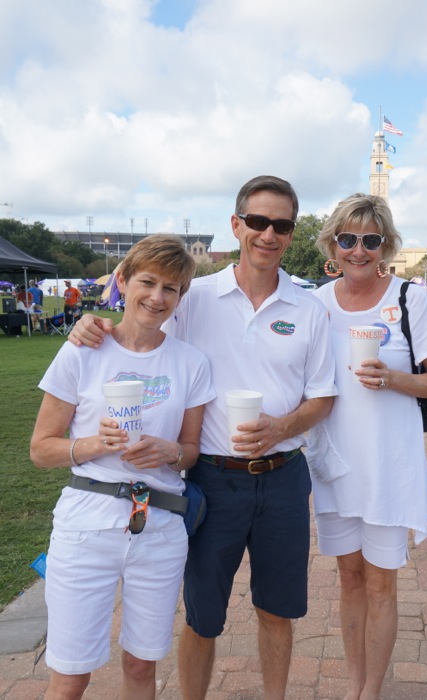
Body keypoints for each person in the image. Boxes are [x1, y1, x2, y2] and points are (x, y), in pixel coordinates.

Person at [68, 175, 337, 700]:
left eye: (281, 225)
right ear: (236, 225)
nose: (268, 234)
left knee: (277, 610)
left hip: (283, 478)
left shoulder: (310, 307)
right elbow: (140, 330)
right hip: (211, 478)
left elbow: (323, 397)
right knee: (203, 615)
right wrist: (90, 324)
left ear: (291, 232)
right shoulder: (196, 296)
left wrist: (280, 428)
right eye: (257, 221)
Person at [31, 235, 215, 700]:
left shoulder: (190, 362)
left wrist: (168, 452)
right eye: (147, 282)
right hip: (86, 525)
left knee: (140, 665)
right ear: (122, 281)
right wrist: (95, 443)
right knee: (71, 675)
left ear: (181, 297)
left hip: (159, 527)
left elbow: (191, 450)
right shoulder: (83, 349)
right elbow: (41, 449)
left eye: (171, 289)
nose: (157, 297)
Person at [306, 193, 427, 700]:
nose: (358, 250)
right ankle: (354, 686)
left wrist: (394, 379)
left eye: (370, 240)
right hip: (336, 465)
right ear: (332, 243)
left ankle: (372, 691)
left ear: (386, 245)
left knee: (380, 583)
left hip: (390, 467)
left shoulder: (412, 299)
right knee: (348, 578)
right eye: (347, 239)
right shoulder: (318, 303)